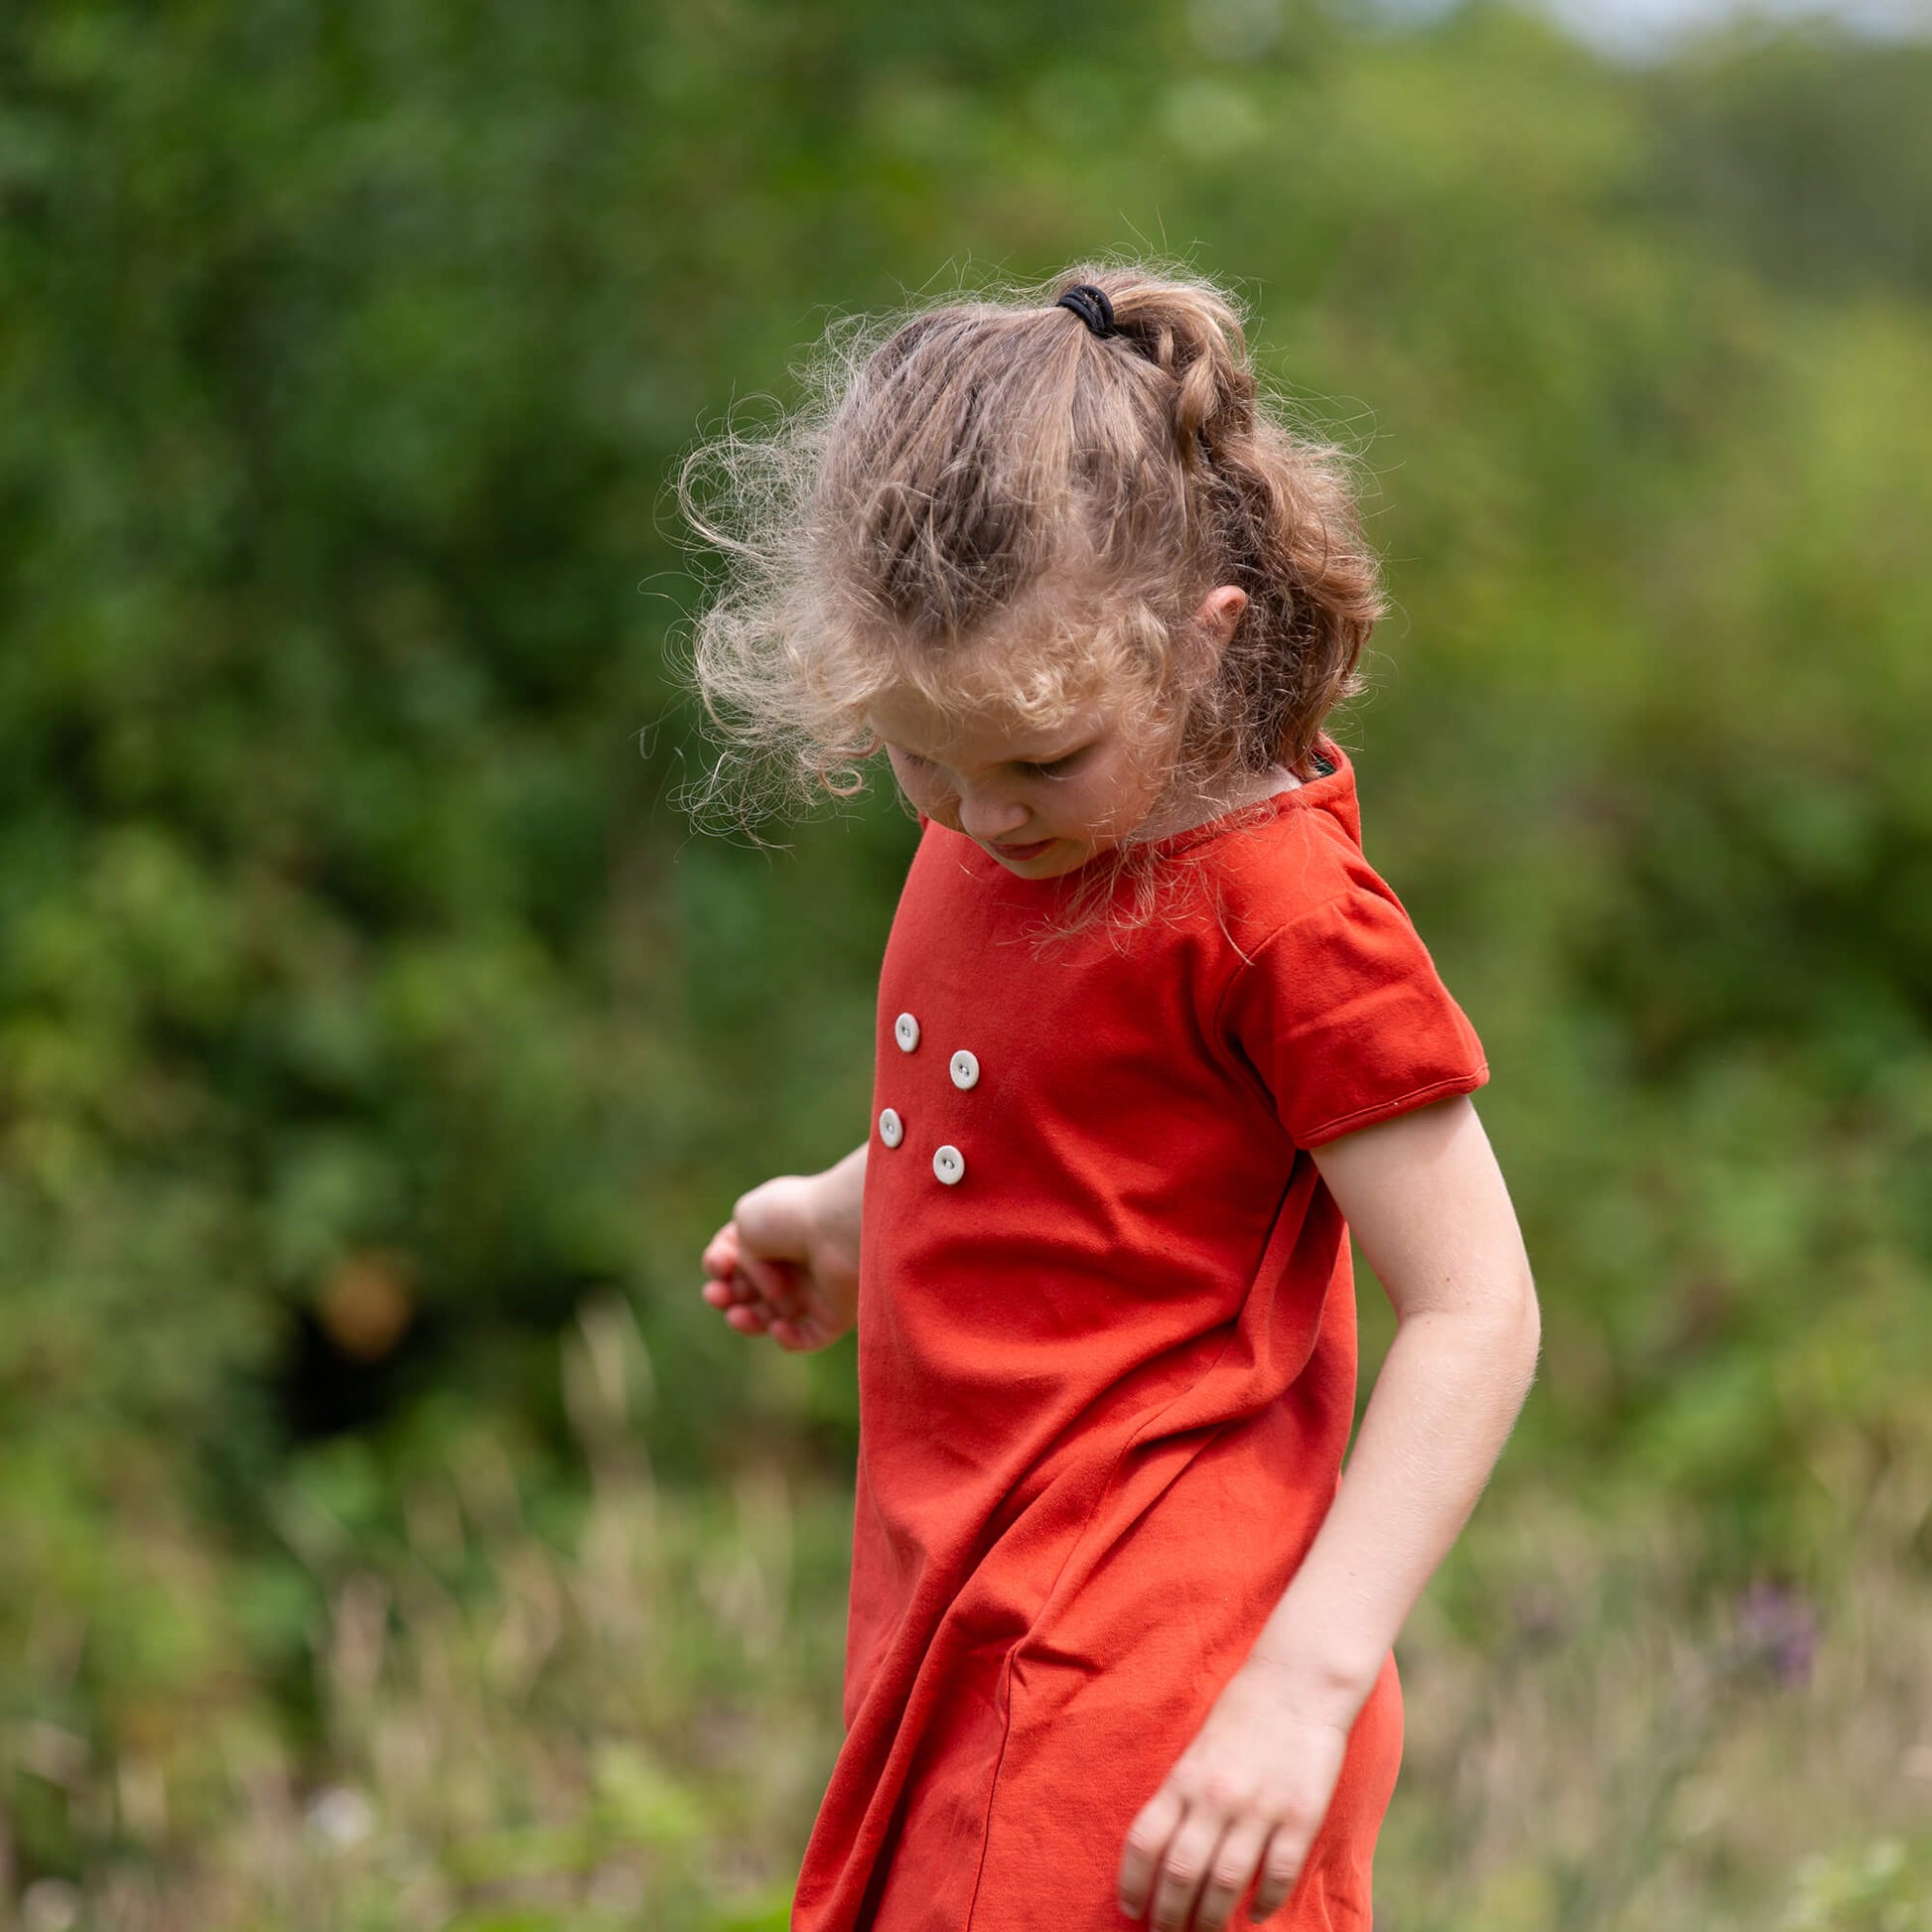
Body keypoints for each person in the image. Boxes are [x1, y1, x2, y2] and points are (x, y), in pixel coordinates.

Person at [676, 264, 1542, 1932]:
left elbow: (1476, 1308)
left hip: (1160, 1677)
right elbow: (1045, 1120)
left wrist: (1301, 1685)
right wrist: (842, 1215)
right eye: (923, 759)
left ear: (1200, 636)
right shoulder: (993, 813)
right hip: (958, 1620)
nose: (986, 815)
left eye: (1041, 761)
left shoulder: (1282, 919)